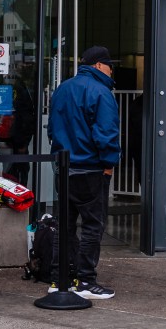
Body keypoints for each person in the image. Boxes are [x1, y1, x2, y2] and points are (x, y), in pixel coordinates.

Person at [47, 45, 121, 301]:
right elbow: (107, 133)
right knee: (92, 226)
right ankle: (86, 281)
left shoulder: (62, 89)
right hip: (91, 168)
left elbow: (52, 130)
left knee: (64, 226)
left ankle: (58, 280)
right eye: (110, 65)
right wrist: (109, 162)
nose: (112, 71)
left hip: (64, 167)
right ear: (99, 65)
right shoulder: (101, 92)